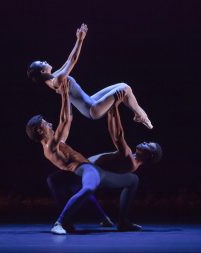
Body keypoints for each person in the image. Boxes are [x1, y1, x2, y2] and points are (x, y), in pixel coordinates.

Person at [26, 79, 141, 235]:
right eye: (45, 123)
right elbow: (64, 120)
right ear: (40, 131)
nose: (49, 123)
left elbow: (69, 119)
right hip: (83, 169)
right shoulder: (50, 146)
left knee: (132, 180)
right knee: (88, 188)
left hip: (94, 170)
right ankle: (59, 223)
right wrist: (65, 93)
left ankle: (122, 222)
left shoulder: (57, 142)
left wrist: (67, 96)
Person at [26, 23, 153, 129]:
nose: (45, 61)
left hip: (91, 101)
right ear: (42, 71)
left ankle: (139, 115)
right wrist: (80, 40)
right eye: (42, 63)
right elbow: (73, 60)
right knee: (125, 88)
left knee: (124, 87)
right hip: (93, 109)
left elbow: (69, 59)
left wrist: (77, 40)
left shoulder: (53, 77)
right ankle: (142, 116)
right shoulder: (57, 81)